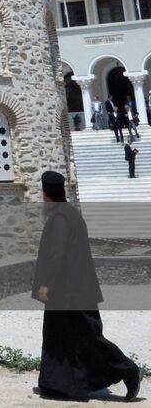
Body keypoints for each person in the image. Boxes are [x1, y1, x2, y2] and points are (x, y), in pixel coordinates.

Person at [33, 170, 141, 401]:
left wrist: (46, 284)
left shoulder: (60, 218)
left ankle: (129, 370)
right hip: (71, 291)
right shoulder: (70, 213)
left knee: (87, 337)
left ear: (46, 195)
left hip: (70, 292)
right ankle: (56, 385)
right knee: (57, 336)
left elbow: (57, 254)